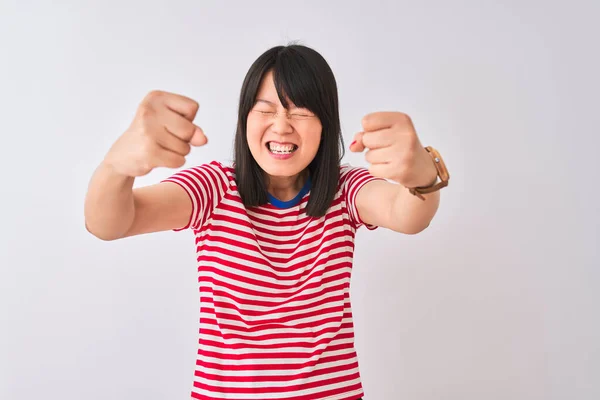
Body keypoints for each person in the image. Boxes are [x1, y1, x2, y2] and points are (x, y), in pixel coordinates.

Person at [84, 44, 449, 400]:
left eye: (301, 111)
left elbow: (408, 215)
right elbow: (110, 223)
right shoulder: (214, 188)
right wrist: (116, 168)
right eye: (265, 109)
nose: (282, 126)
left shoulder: (344, 190)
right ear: (245, 118)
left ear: (326, 124)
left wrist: (422, 176)